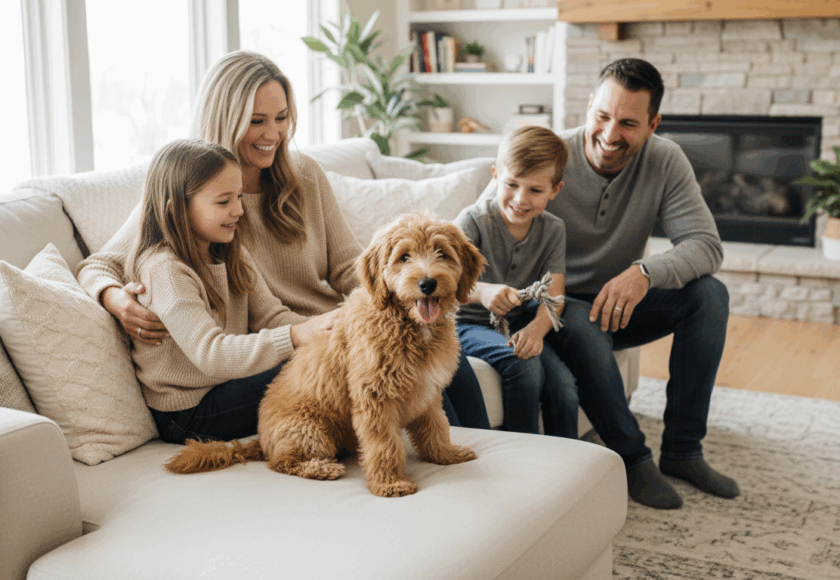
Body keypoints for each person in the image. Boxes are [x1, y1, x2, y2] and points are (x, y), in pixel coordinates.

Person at [76, 50, 491, 432]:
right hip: (273, 350)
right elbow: (100, 264)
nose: (273, 133)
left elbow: (350, 267)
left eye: (282, 117)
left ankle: (487, 462)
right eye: (257, 121)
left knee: (439, 352)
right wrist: (115, 299)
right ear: (226, 120)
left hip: (318, 328)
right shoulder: (191, 196)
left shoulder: (304, 174)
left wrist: (393, 307)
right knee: (395, 372)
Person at [479, 58, 738, 509]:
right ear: (589, 106)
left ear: (653, 124)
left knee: (710, 296)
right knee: (576, 318)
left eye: (628, 123)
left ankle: (683, 450)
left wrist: (645, 273)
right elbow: (479, 224)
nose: (609, 133)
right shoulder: (548, 156)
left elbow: (706, 246)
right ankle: (632, 459)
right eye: (601, 115)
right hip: (551, 306)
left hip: (618, 302)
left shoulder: (665, 161)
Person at [124, 138, 314, 442]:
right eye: (224, 202)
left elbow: (271, 315)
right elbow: (211, 354)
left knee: (326, 353)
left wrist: (324, 329)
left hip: (225, 385)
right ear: (176, 211)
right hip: (187, 412)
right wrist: (295, 337)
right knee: (313, 367)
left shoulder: (230, 250)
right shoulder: (165, 270)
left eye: (238, 197)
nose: (239, 210)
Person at [454, 126, 579, 438]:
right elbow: (441, 283)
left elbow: (555, 297)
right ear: (496, 175)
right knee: (523, 364)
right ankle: (522, 460)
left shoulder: (553, 229)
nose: (521, 199)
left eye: (535, 191)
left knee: (565, 390)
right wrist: (482, 292)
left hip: (519, 322)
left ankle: (568, 466)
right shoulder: (472, 221)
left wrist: (536, 330)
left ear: (555, 189)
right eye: (512, 184)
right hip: (467, 324)